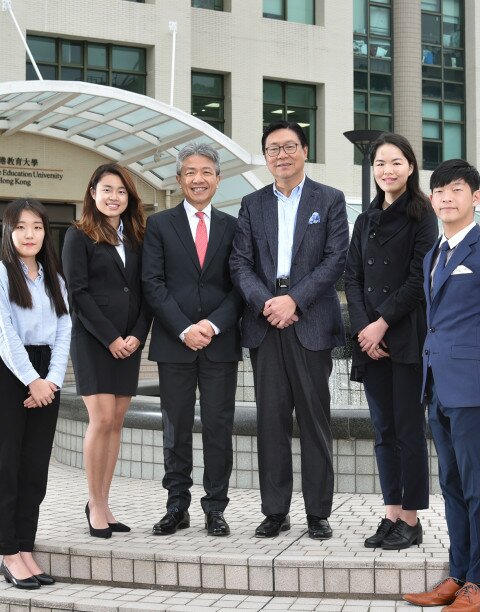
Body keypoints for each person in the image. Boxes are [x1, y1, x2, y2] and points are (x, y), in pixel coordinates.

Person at [404, 159, 480, 611]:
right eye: (438, 191)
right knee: (452, 484)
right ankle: (457, 575)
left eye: (456, 189)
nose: (446, 197)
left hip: (476, 389)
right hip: (438, 387)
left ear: (475, 197)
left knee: (479, 487)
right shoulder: (433, 255)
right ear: (432, 199)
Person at [230, 120, 349, 540]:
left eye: (289, 146)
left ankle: (318, 513)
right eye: (272, 149)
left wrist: (294, 300)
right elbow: (239, 263)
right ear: (265, 157)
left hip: (310, 321)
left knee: (315, 421)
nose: (281, 155)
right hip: (265, 322)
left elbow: (335, 260)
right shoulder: (251, 203)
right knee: (271, 423)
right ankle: (274, 511)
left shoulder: (329, 200)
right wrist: (269, 303)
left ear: (304, 149)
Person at [141, 143, 242, 537]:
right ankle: (176, 505)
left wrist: (212, 327)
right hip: (174, 343)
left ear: (217, 179)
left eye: (206, 172)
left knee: (219, 427)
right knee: (176, 427)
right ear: (179, 179)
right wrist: (185, 328)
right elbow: (153, 283)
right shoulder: (159, 225)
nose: (198, 179)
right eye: (190, 172)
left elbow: (239, 287)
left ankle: (216, 508)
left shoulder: (234, 228)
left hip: (220, 345)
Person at [344, 133, 437, 550]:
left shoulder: (423, 215)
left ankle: (412, 520)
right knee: (383, 429)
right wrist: (365, 329)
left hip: (405, 335)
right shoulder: (365, 220)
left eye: (396, 162)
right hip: (371, 339)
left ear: (411, 167)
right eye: (380, 163)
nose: (387, 170)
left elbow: (420, 278)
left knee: (408, 429)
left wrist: (382, 324)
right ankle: (391, 512)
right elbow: (353, 278)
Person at [0, 198, 71, 589]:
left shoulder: (55, 278)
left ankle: (25, 546)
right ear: (9, 232)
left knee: (33, 471)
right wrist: (32, 380)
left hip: (44, 374)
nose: (29, 234)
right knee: (5, 468)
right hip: (8, 371)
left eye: (36, 226)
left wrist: (51, 382)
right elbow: (3, 333)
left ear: (45, 232)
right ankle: (7, 553)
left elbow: (65, 331)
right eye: (21, 227)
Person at [62, 163, 151, 539]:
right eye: (107, 189)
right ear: (93, 192)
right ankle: (94, 503)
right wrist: (111, 338)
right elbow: (77, 294)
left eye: (121, 191)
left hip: (129, 343)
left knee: (116, 421)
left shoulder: (137, 237)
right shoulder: (77, 235)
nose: (114, 197)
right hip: (94, 342)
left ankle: (105, 500)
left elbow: (146, 290)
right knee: (100, 420)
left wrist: (136, 336)